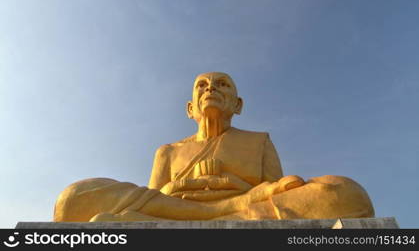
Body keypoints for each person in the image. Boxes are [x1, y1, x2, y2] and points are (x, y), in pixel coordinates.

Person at [54, 72, 374, 222]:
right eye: (202, 86)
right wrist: (184, 188)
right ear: (189, 108)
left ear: (238, 104)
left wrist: (240, 190)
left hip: (251, 211)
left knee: (345, 193)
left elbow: (277, 190)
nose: (211, 89)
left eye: (222, 84)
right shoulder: (167, 151)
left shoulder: (259, 141)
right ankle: (221, 213)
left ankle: (225, 212)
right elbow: (148, 202)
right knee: (71, 199)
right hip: (175, 215)